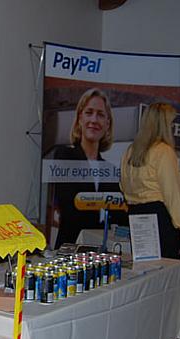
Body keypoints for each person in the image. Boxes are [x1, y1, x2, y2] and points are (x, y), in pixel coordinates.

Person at [52, 88, 125, 248]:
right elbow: (70, 208)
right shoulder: (64, 156)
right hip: (69, 249)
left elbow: (119, 215)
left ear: (107, 124)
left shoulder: (110, 170)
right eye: (89, 112)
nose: (94, 119)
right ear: (79, 118)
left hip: (102, 251)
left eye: (100, 114)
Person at [120, 102, 180, 259]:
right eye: (171, 123)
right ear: (165, 124)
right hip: (160, 217)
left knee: (145, 268)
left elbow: (123, 186)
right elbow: (172, 193)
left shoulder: (131, 151)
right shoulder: (164, 151)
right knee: (166, 270)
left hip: (135, 215)